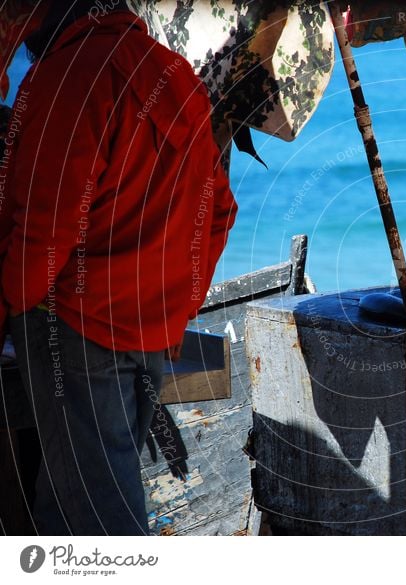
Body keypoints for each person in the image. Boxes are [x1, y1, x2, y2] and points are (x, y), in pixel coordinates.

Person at [0, 1, 237, 535]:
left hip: (80, 328)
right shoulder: (171, 71)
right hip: (149, 326)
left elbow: (42, 231)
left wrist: (10, 308)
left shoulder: (69, 76)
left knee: (93, 510)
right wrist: (178, 308)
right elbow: (217, 210)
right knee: (84, 493)